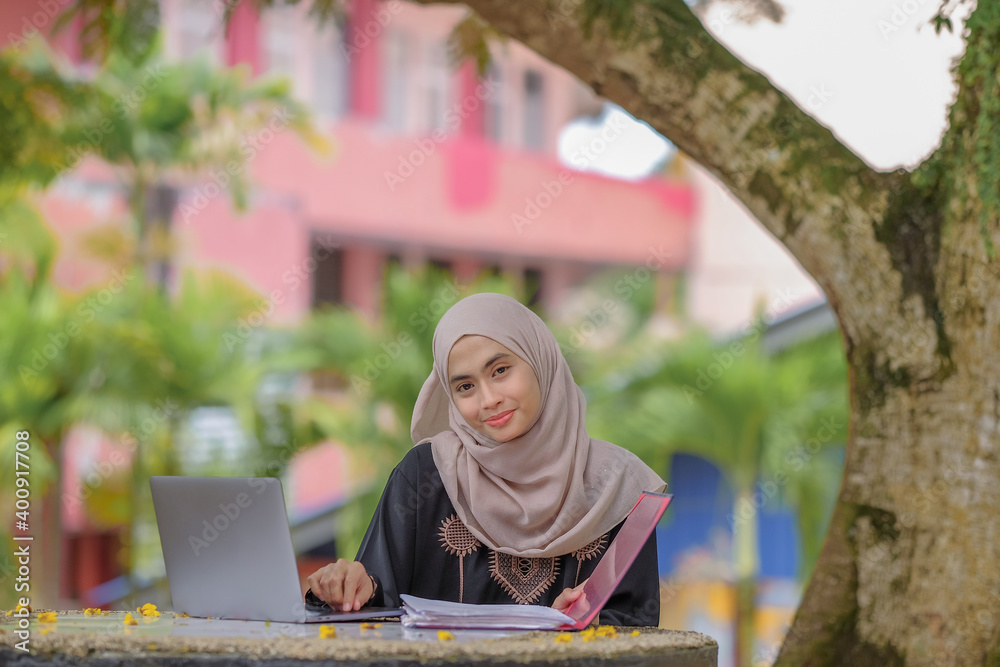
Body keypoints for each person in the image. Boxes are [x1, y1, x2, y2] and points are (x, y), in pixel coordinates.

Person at [305, 293, 666, 625]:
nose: (489, 399)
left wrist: (579, 628)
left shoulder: (617, 486)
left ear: (539, 359)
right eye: (465, 387)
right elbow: (369, 608)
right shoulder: (426, 475)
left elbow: (640, 629)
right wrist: (346, 587)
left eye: (500, 370)